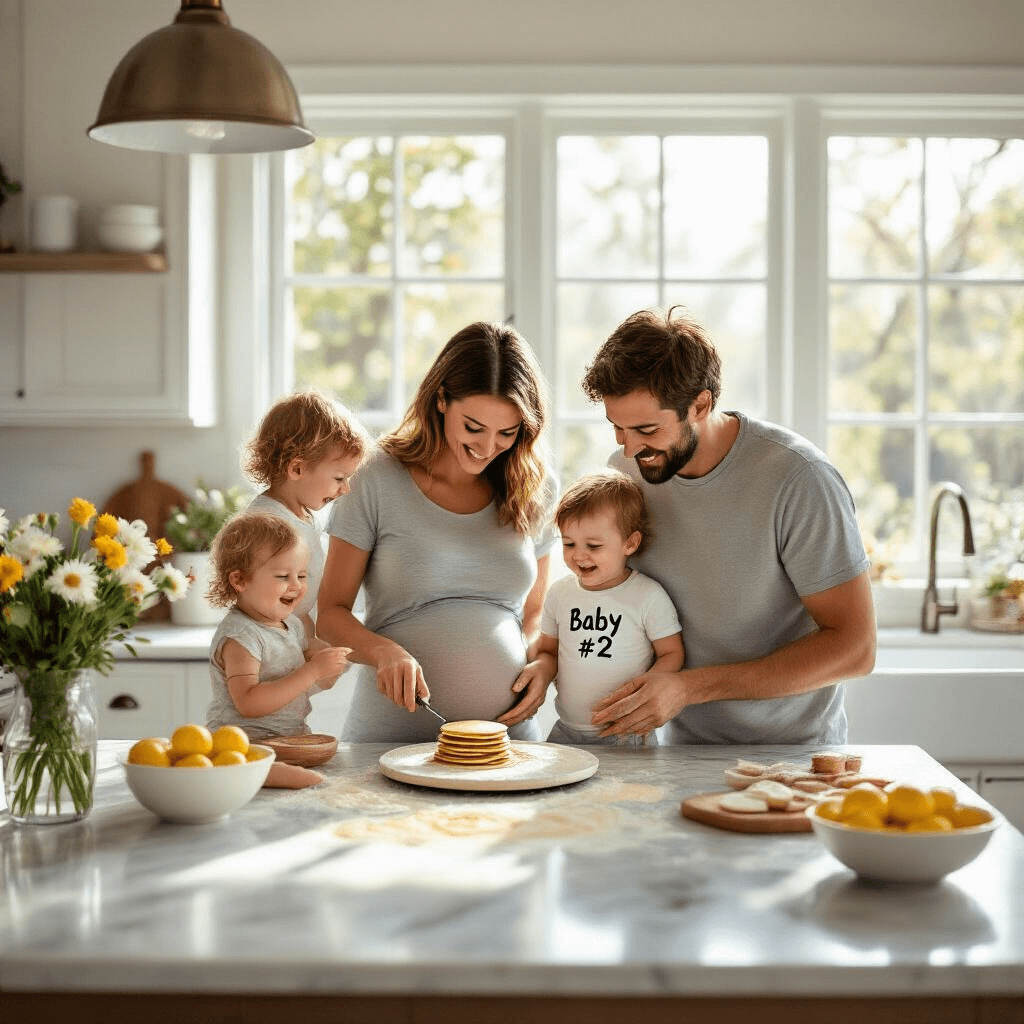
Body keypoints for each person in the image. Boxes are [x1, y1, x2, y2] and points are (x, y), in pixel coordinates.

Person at [580, 306, 876, 746]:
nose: (628, 447)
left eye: (646, 429)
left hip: (795, 756)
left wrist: (690, 688)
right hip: (679, 751)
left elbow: (855, 648)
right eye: (617, 427)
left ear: (701, 403)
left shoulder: (798, 478)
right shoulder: (626, 473)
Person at [317, 321, 558, 743]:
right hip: (391, 738)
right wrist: (383, 651)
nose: (487, 448)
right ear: (442, 399)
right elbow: (330, 615)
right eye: (474, 427)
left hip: (510, 741)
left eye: (507, 432)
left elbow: (532, 616)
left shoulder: (535, 486)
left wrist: (544, 663)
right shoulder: (375, 476)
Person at [514, 469, 684, 746]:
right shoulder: (560, 593)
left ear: (630, 543)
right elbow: (548, 650)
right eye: (569, 543)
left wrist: (644, 692)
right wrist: (542, 668)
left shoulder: (647, 596)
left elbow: (672, 653)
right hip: (567, 731)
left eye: (593, 546)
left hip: (628, 734)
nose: (579, 555)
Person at [206, 511, 351, 788]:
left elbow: (307, 676)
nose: (296, 586)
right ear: (240, 580)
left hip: (289, 737)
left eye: (302, 575)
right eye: (283, 576)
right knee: (303, 779)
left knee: (329, 755)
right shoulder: (241, 636)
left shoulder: (292, 625)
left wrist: (327, 667)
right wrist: (311, 671)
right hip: (245, 744)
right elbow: (248, 703)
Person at [242, 389, 369, 637]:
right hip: (269, 643)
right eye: (339, 478)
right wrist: (309, 641)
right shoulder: (270, 523)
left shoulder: (303, 515)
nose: (345, 489)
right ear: (297, 469)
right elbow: (266, 601)